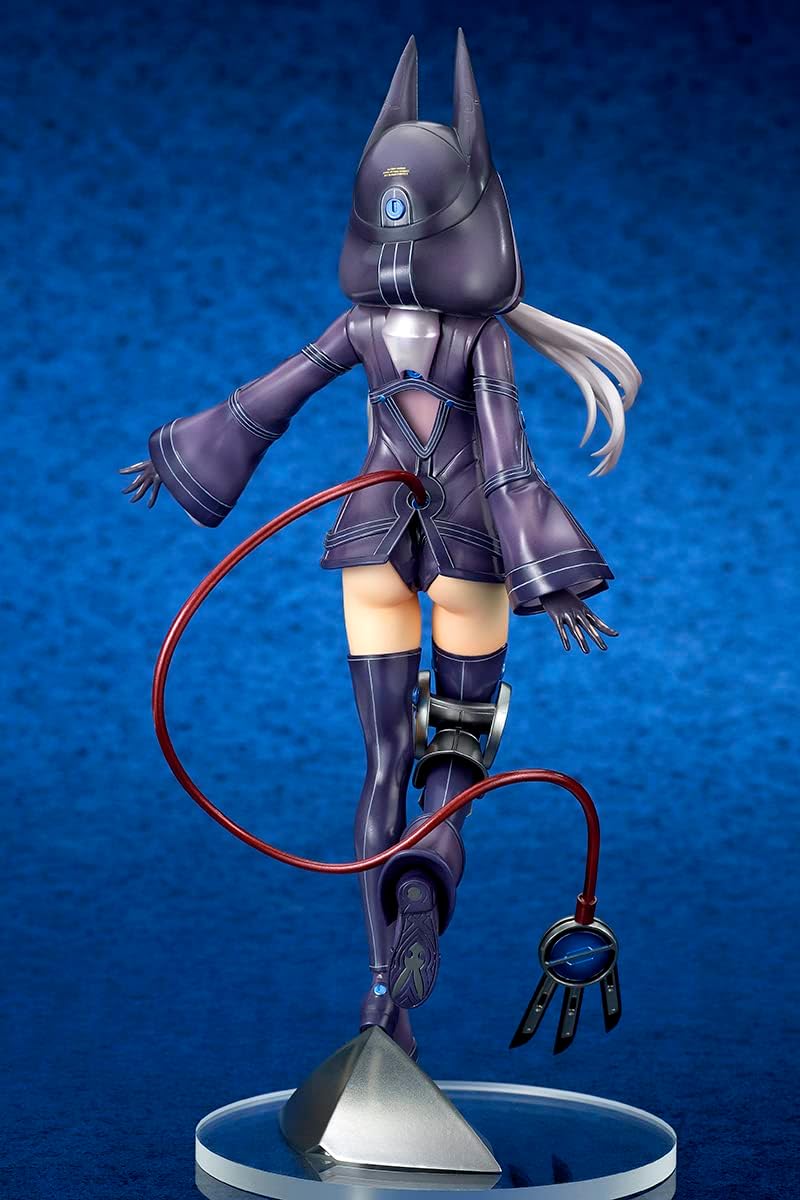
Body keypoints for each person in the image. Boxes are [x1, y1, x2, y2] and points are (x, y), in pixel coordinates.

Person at [121, 32, 640, 1061]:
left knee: (380, 763)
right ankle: (427, 877)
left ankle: (380, 998)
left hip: (369, 546)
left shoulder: (358, 328)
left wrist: (181, 456)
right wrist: (552, 578)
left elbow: (265, 399)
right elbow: (506, 465)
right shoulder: (480, 338)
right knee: (458, 747)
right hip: (465, 552)